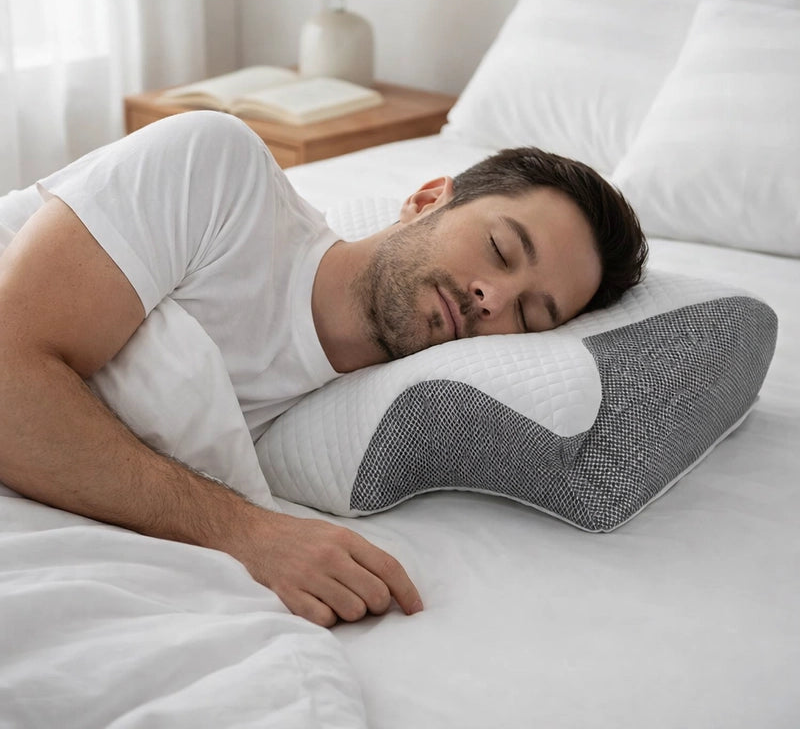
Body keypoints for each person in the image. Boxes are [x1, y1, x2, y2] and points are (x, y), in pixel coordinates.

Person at [0, 111, 647, 627]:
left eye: (530, 315)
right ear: (426, 199)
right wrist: (248, 533)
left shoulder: (364, 414)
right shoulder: (220, 171)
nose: (493, 298)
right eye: (500, 248)